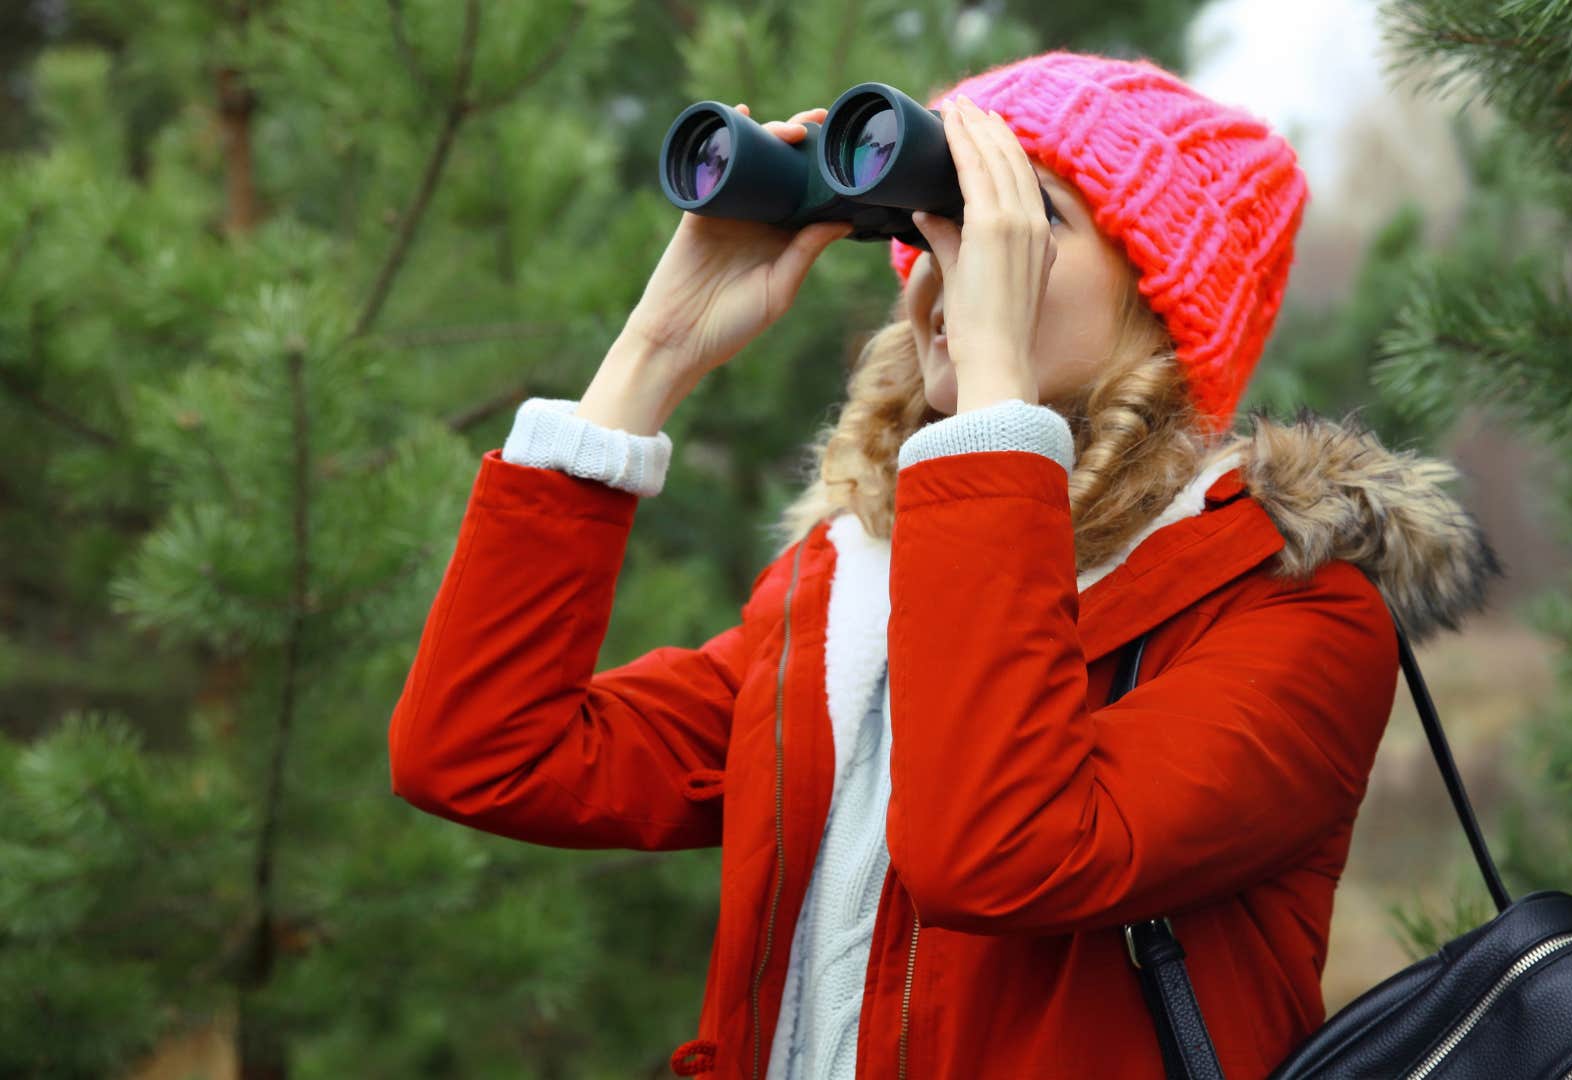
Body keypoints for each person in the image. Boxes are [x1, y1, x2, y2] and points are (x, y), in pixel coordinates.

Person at [388, 49, 1502, 1080]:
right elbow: (483, 751)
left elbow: (1001, 852)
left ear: (1160, 310)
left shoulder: (1287, 614)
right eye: (934, 217)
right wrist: (653, 354)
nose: (951, 263)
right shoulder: (847, 590)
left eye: (1022, 219)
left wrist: (993, 408)